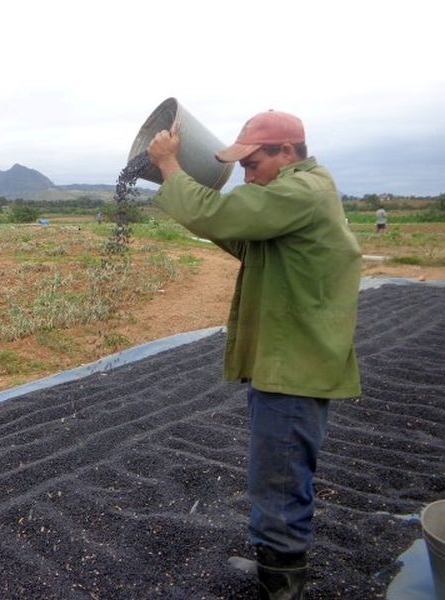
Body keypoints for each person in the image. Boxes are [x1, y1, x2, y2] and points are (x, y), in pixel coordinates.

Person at [147, 110, 362, 599]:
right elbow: (239, 234)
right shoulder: (296, 195)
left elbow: (224, 214)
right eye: (241, 168)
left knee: (280, 472)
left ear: (287, 153)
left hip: (295, 363)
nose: (246, 175)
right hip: (286, 357)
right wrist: (199, 210)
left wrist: (171, 168)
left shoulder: (301, 190)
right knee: (275, 468)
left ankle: (281, 583)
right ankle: (276, 563)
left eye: (252, 164)